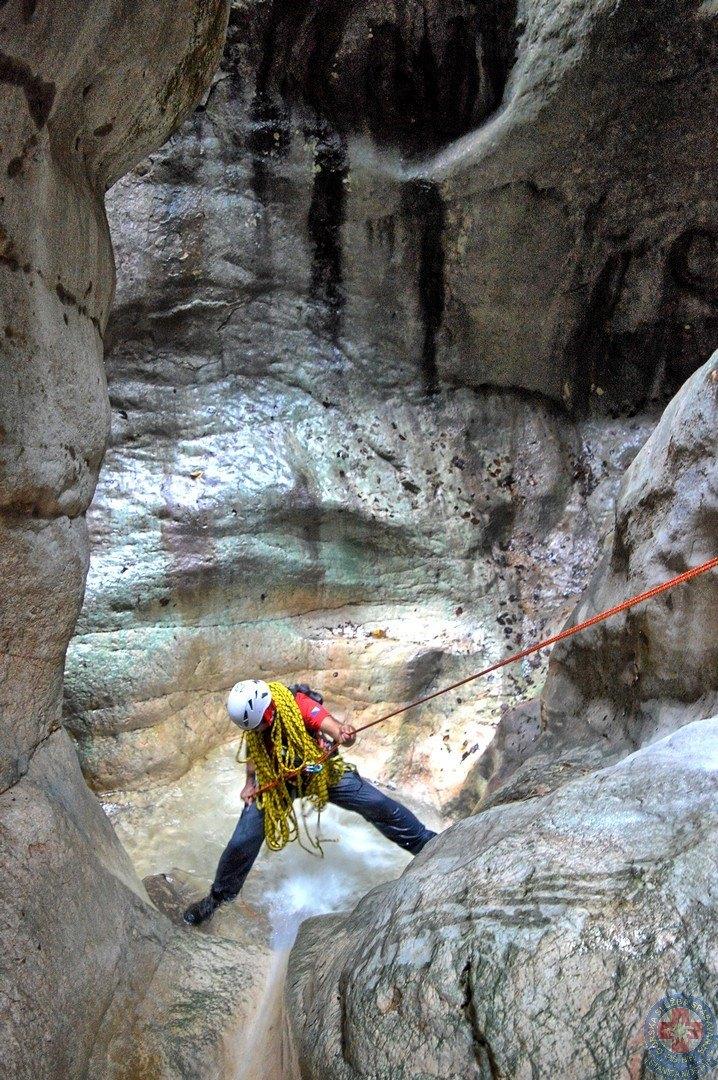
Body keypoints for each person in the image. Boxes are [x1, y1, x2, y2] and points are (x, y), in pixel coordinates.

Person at [183, 678, 437, 925]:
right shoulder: (255, 726)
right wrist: (250, 784)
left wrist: (344, 735)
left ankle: (427, 844)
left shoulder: (296, 705)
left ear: (268, 711)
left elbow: (333, 727)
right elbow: (255, 750)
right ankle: (217, 898)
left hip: (319, 772)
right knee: (242, 840)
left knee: (375, 803)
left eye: (259, 724)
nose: (257, 730)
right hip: (278, 782)